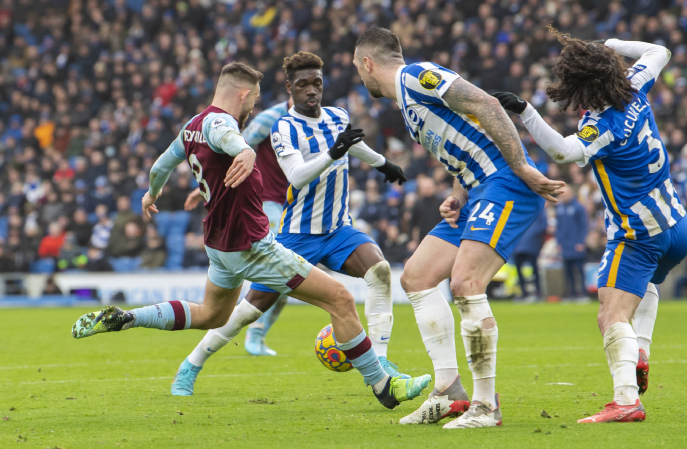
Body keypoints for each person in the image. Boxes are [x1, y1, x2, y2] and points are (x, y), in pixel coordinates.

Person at [70, 62, 430, 410]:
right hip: (254, 246)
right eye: (253, 100)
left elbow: (160, 166)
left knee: (211, 314)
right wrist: (243, 151)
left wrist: (151, 193)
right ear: (243, 95)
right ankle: (384, 385)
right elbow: (230, 138)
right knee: (339, 299)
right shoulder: (221, 123)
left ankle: (130, 318)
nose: (253, 107)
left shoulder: (192, 126)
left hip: (220, 245)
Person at [353, 28, 565, 428]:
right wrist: (458, 192)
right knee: (416, 277)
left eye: (358, 70)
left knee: (466, 284)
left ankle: (487, 406)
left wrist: (520, 165)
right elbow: (466, 137)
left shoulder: (417, 76)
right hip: (478, 190)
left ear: (368, 63)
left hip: (505, 184)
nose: (361, 80)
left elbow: (486, 104)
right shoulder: (407, 104)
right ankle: (449, 391)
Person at [174, 51, 412, 395]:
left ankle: (382, 359)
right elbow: (297, 177)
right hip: (297, 236)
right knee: (247, 311)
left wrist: (382, 163)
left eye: (317, 83)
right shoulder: (283, 126)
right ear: (290, 88)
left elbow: (351, 145)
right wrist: (334, 152)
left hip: (337, 230)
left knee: (380, 272)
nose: (312, 90)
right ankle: (191, 363)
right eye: (303, 85)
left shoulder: (337, 115)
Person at [494, 30, 687, 423]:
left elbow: (564, 152)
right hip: (677, 225)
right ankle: (640, 352)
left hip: (637, 233)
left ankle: (625, 401)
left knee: (610, 316)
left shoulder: (603, 124)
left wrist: (525, 111)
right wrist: (614, 44)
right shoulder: (634, 86)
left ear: (582, 88)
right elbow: (660, 50)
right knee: (645, 285)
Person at [184, 97, 293, 356]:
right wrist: (206, 188)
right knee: (282, 272)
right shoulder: (270, 118)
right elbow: (237, 152)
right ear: (290, 89)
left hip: (294, 204)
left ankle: (255, 333)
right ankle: (254, 333)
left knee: (287, 276)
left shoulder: (315, 119)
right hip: (265, 202)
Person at [554, 185, 589, 300]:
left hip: (576, 244)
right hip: (565, 245)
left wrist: (581, 242)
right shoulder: (559, 208)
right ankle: (572, 293)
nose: (564, 196)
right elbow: (558, 227)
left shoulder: (579, 207)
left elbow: (584, 226)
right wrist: (558, 242)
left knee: (579, 270)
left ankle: (583, 293)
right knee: (567, 271)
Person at [511, 209, 547, 302]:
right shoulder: (517, 208)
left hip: (531, 244)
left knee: (534, 269)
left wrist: (531, 234)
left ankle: (538, 292)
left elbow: (543, 224)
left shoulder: (539, 209)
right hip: (519, 246)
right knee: (519, 270)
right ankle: (524, 292)